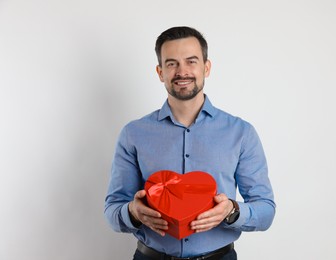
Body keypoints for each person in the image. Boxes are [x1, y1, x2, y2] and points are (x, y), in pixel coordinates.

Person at [104, 26, 276, 260]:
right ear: (160, 72)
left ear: (206, 67)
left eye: (191, 61)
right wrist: (132, 212)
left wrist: (232, 211)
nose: (182, 71)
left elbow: (266, 210)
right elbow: (113, 210)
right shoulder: (133, 134)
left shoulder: (241, 133)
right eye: (172, 63)